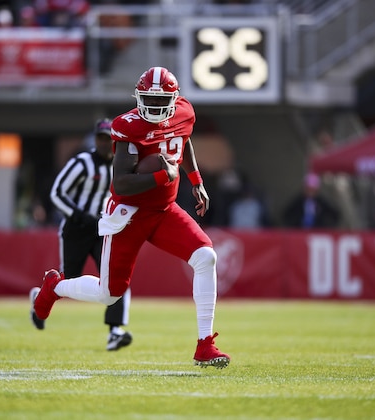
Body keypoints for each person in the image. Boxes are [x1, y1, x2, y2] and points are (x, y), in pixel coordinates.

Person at [30, 66, 230, 368]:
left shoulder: (184, 113)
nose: (154, 107)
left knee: (206, 257)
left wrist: (196, 180)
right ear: (138, 97)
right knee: (109, 294)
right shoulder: (128, 126)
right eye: (148, 99)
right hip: (129, 214)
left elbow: (182, 139)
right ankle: (54, 287)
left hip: (164, 210)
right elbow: (121, 181)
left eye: (160, 101)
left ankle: (205, 345)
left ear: (175, 100)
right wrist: (163, 176)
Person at [30, 118, 133, 351]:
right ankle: (40, 298)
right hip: (76, 229)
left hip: (103, 230)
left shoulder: (122, 165)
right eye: (101, 138)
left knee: (116, 275)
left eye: (109, 139)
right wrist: (77, 215)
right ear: (95, 140)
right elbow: (57, 193)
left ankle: (115, 331)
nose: (105, 143)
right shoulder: (83, 162)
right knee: (68, 280)